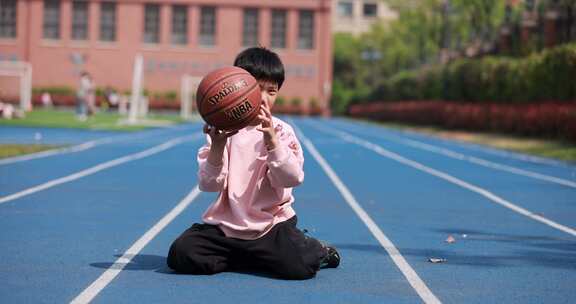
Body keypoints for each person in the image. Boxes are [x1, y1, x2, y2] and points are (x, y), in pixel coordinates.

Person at [167, 47, 340, 280]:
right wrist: (217, 146)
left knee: (299, 266)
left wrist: (271, 141)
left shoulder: (282, 132)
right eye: (258, 89)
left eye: (272, 91)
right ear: (239, 90)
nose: (265, 98)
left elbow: (290, 178)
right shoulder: (222, 131)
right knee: (182, 254)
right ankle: (247, 255)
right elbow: (209, 185)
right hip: (226, 229)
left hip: (271, 227)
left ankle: (317, 249)